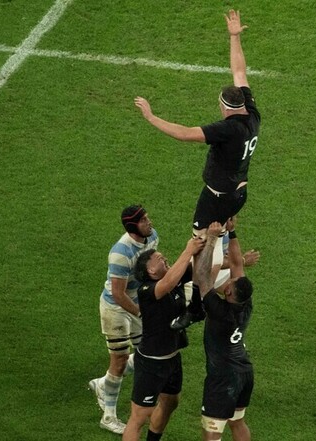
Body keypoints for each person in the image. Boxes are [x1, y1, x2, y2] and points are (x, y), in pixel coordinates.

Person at [134, 9, 261, 238]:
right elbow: (239, 72)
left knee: (199, 243)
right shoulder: (252, 113)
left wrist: (151, 117)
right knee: (220, 236)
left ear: (224, 107)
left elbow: (185, 134)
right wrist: (234, 36)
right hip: (240, 193)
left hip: (217, 197)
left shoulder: (227, 129)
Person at [122, 237, 204, 441]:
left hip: (172, 359)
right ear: (150, 270)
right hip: (152, 363)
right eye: (159, 258)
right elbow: (167, 284)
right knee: (139, 417)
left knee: (170, 403)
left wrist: (233, 258)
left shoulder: (173, 278)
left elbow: (201, 267)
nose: (165, 258)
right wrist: (188, 250)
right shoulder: (146, 290)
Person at [90, 205, 159, 434]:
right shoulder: (120, 253)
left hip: (137, 301)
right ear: (133, 226)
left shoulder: (153, 237)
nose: (149, 222)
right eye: (144, 220)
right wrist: (141, 312)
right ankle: (108, 417)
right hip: (115, 307)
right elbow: (118, 294)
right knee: (119, 360)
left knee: (146, 353)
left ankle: (103, 384)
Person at [195, 220, 260, 441]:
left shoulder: (219, 310)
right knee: (237, 422)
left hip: (223, 378)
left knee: (211, 431)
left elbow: (202, 276)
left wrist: (212, 239)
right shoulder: (245, 303)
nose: (228, 281)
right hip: (244, 372)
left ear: (230, 293)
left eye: (230, 283)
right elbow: (237, 264)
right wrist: (232, 233)